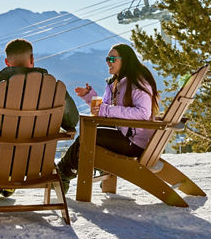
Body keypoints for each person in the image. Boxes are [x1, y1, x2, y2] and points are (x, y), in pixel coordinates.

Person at [0, 38, 79, 201]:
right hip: (37, 162)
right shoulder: (54, 89)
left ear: (6, 62)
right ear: (32, 60)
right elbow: (72, 121)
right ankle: (5, 184)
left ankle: (1, 182)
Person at [56, 43, 159, 194]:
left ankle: (63, 173)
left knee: (89, 137)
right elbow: (104, 107)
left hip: (134, 142)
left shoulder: (138, 82)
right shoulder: (116, 82)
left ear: (126, 60)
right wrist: (89, 95)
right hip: (125, 135)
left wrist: (107, 110)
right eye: (107, 59)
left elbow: (142, 113)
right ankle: (67, 172)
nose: (108, 62)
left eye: (112, 59)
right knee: (89, 134)